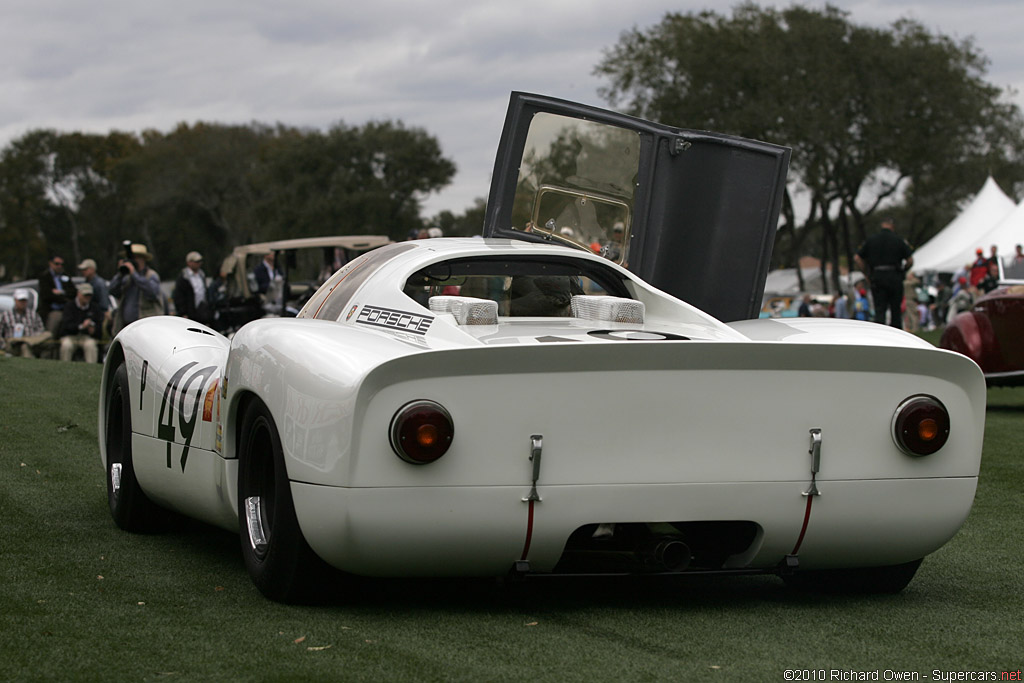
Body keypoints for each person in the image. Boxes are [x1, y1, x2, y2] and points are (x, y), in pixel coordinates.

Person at [854, 218, 914, 328]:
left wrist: (867, 273)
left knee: (879, 310)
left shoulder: (871, 240)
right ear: (892, 226)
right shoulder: (898, 240)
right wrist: (903, 271)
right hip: (894, 277)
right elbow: (910, 260)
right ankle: (896, 337)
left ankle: (880, 335)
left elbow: (857, 258)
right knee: (895, 310)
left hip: (877, 277)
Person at [108, 243, 162, 334]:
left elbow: (152, 293)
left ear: (143, 259)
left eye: (135, 258)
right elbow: (112, 290)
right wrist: (120, 274)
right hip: (126, 326)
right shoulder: (126, 277)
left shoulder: (151, 275)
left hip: (146, 326)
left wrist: (134, 274)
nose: (132, 261)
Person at [58, 283, 103, 363]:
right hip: (70, 336)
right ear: (78, 294)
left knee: (91, 346)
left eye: (89, 295)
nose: (87, 298)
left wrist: (93, 330)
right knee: (66, 345)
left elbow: (99, 328)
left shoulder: (95, 307)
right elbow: (66, 326)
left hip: (86, 337)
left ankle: (91, 370)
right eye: (85, 295)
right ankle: (64, 368)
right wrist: (81, 326)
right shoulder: (69, 306)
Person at [0, 289, 51, 357]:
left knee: (47, 334)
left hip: (32, 343)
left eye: (24, 300)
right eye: (20, 300)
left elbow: (41, 330)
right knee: (24, 346)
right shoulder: (5, 315)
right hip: (12, 344)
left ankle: (26, 341)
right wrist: (4, 345)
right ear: (15, 300)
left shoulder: (33, 315)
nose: (22, 303)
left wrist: (32, 338)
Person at [38, 255, 77, 334]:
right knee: (53, 325)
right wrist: (64, 298)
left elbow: (73, 292)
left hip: (66, 310)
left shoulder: (65, 276)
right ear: (50, 264)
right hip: (52, 310)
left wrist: (61, 293)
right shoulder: (45, 276)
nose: (59, 266)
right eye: (57, 264)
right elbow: (47, 295)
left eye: (61, 264)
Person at [173, 251, 211, 325]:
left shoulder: (201, 275)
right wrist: (183, 312)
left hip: (202, 310)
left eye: (200, 261)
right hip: (190, 312)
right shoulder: (183, 277)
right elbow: (179, 296)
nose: (199, 263)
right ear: (189, 262)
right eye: (196, 262)